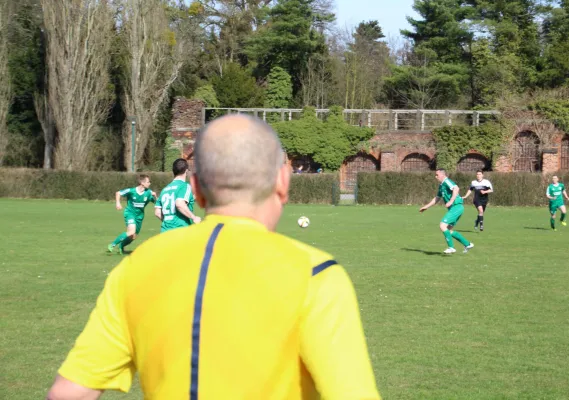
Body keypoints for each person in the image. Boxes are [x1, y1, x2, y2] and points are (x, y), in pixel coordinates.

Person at [47, 114, 381, 400]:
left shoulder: (136, 268)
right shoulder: (317, 275)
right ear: (283, 180)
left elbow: (68, 393)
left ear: (196, 189)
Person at [419, 169, 475, 254]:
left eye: (437, 175)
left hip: (456, 207)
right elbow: (437, 198)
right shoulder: (441, 185)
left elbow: (456, 188)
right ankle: (467, 244)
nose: (436, 176)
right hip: (456, 208)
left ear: (442, 175)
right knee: (449, 230)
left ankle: (451, 247)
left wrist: (451, 201)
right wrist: (426, 207)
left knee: (442, 225)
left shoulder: (447, 181)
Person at [107, 174, 156, 255]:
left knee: (133, 236)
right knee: (131, 231)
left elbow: (157, 203)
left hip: (139, 217)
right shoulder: (131, 191)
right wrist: (118, 203)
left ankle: (121, 247)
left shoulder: (149, 193)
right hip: (130, 213)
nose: (150, 183)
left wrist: (155, 196)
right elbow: (118, 193)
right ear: (142, 183)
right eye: (148, 182)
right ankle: (112, 245)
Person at [154, 158, 202, 232]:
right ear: (186, 170)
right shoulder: (185, 186)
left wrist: (169, 223)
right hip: (180, 230)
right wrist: (194, 218)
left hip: (165, 232)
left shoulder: (165, 189)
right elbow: (179, 204)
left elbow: (157, 212)